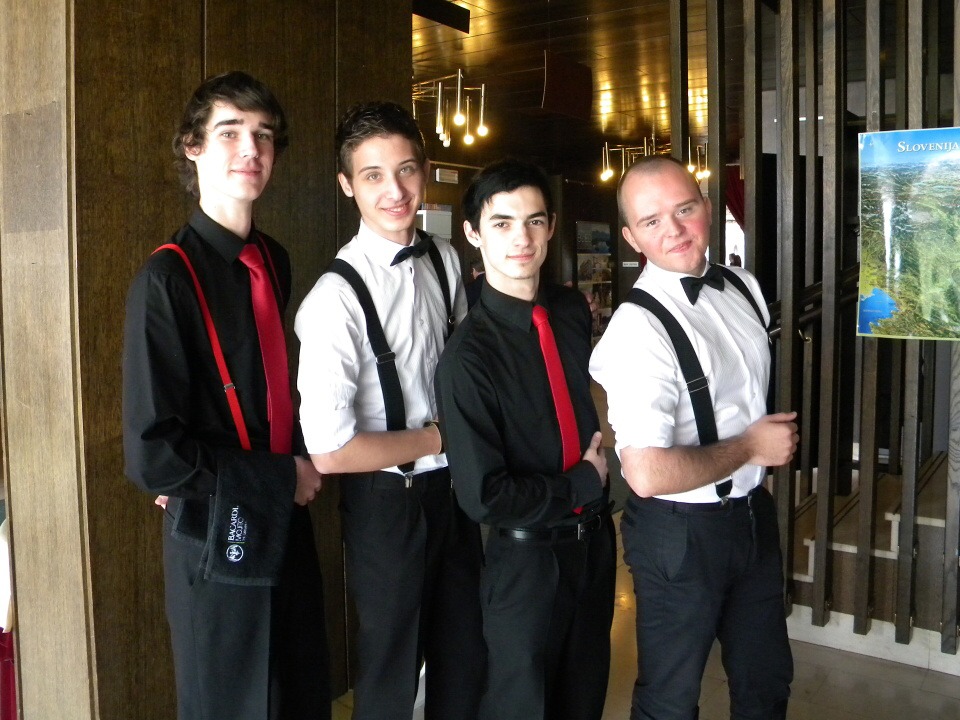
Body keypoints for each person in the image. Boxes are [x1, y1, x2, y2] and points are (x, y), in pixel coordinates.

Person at [122, 71, 330, 720]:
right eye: (230, 133)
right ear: (193, 147)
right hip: (218, 532)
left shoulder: (274, 259)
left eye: (263, 136)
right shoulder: (166, 278)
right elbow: (154, 456)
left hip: (286, 516)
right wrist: (279, 477)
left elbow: (274, 390)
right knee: (232, 705)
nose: (251, 150)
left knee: (299, 694)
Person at [295, 101, 484, 720]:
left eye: (405, 170)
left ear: (424, 171)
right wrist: (438, 439)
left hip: (455, 494)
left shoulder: (445, 258)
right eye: (373, 175)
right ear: (347, 185)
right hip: (386, 505)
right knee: (390, 673)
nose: (395, 190)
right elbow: (330, 450)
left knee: (464, 657)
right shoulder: (334, 300)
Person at [590, 155, 797, 720]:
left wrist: (754, 472)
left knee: (766, 680)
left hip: (750, 517)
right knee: (671, 698)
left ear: (707, 208)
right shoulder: (637, 330)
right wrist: (751, 449)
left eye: (684, 209)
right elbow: (646, 474)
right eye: (652, 221)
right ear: (631, 237)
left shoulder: (743, 287)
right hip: (679, 535)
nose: (675, 229)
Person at [435, 158, 616, 720]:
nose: (522, 238)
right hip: (526, 559)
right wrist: (581, 483)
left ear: (552, 226)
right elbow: (484, 495)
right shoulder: (467, 358)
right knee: (523, 706)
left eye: (535, 221)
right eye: (503, 223)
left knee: (584, 697)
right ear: (473, 234)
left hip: (595, 546)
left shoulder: (569, 310)